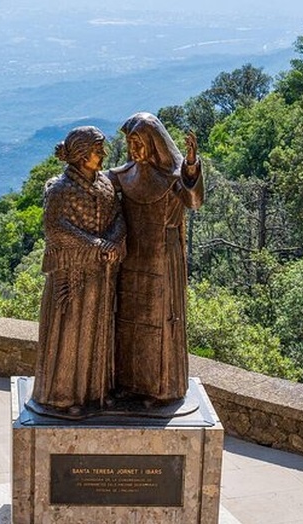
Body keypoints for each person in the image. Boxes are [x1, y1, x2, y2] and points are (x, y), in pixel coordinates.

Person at [30, 126, 126, 417]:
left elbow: (119, 217)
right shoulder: (60, 189)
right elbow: (56, 228)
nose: (104, 155)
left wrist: (115, 240)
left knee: (97, 330)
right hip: (71, 272)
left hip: (101, 272)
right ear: (83, 155)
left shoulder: (106, 185)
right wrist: (97, 244)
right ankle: (63, 395)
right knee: (71, 331)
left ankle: (95, 392)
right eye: (98, 151)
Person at [109, 112, 204, 404]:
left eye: (139, 143)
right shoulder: (123, 175)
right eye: (130, 143)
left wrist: (191, 166)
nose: (134, 150)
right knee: (128, 322)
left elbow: (194, 201)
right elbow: (95, 186)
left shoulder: (173, 178)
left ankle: (159, 388)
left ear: (154, 143)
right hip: (131, 260)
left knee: (160, 323)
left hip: (163, 260)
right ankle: (129, 383)